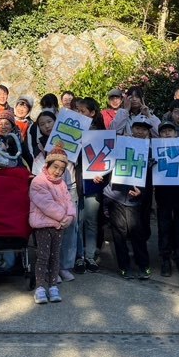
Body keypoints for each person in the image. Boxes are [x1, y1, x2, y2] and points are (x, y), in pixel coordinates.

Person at [29, 147, 77, 304]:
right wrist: (64, 217)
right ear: (47, 165)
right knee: (43, 256)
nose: (58, 171)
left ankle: (53, 286)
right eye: (55, 167)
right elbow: (46, 204)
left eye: (61, 169)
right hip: (43, 225)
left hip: (59, 226)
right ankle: (40, 287)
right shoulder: (38, 181)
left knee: (55, 256)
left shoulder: (61, 183)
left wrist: (70, 216)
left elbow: (68, 200)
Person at [103, 126, 151, 280]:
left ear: (149, 133)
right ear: (130, 130)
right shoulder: (117, 145)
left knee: (137, 232)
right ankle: (124, 266)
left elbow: (151, 181)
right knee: (119, 234)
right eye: (137, 128)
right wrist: (98, 175)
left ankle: (143, 265)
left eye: (144, 130)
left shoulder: (150, 151)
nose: (140, 132)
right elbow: (102, 164)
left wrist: (141, 193)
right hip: (114, 197)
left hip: (133, 200)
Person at [151, 120, 179, 277]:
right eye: (163, 131)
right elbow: (148, 176)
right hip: (163, 196)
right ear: (159, 135)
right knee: (164, 228)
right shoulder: (154, 150)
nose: (167, 133)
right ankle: (165, 259)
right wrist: (150, 166)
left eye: (170, 130)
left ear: (176, 133)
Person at [72, 97, 105, 273]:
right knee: (77, 222)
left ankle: (90, 256)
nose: (80, 114)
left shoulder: (101, 134)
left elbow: (107, 159)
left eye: (83, 111)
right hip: (76, 182)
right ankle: (78, 257)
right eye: (78, 111)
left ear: (92, 113)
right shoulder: (71, 131)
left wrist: (103, 175)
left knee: (91, 221)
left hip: (93, 183)